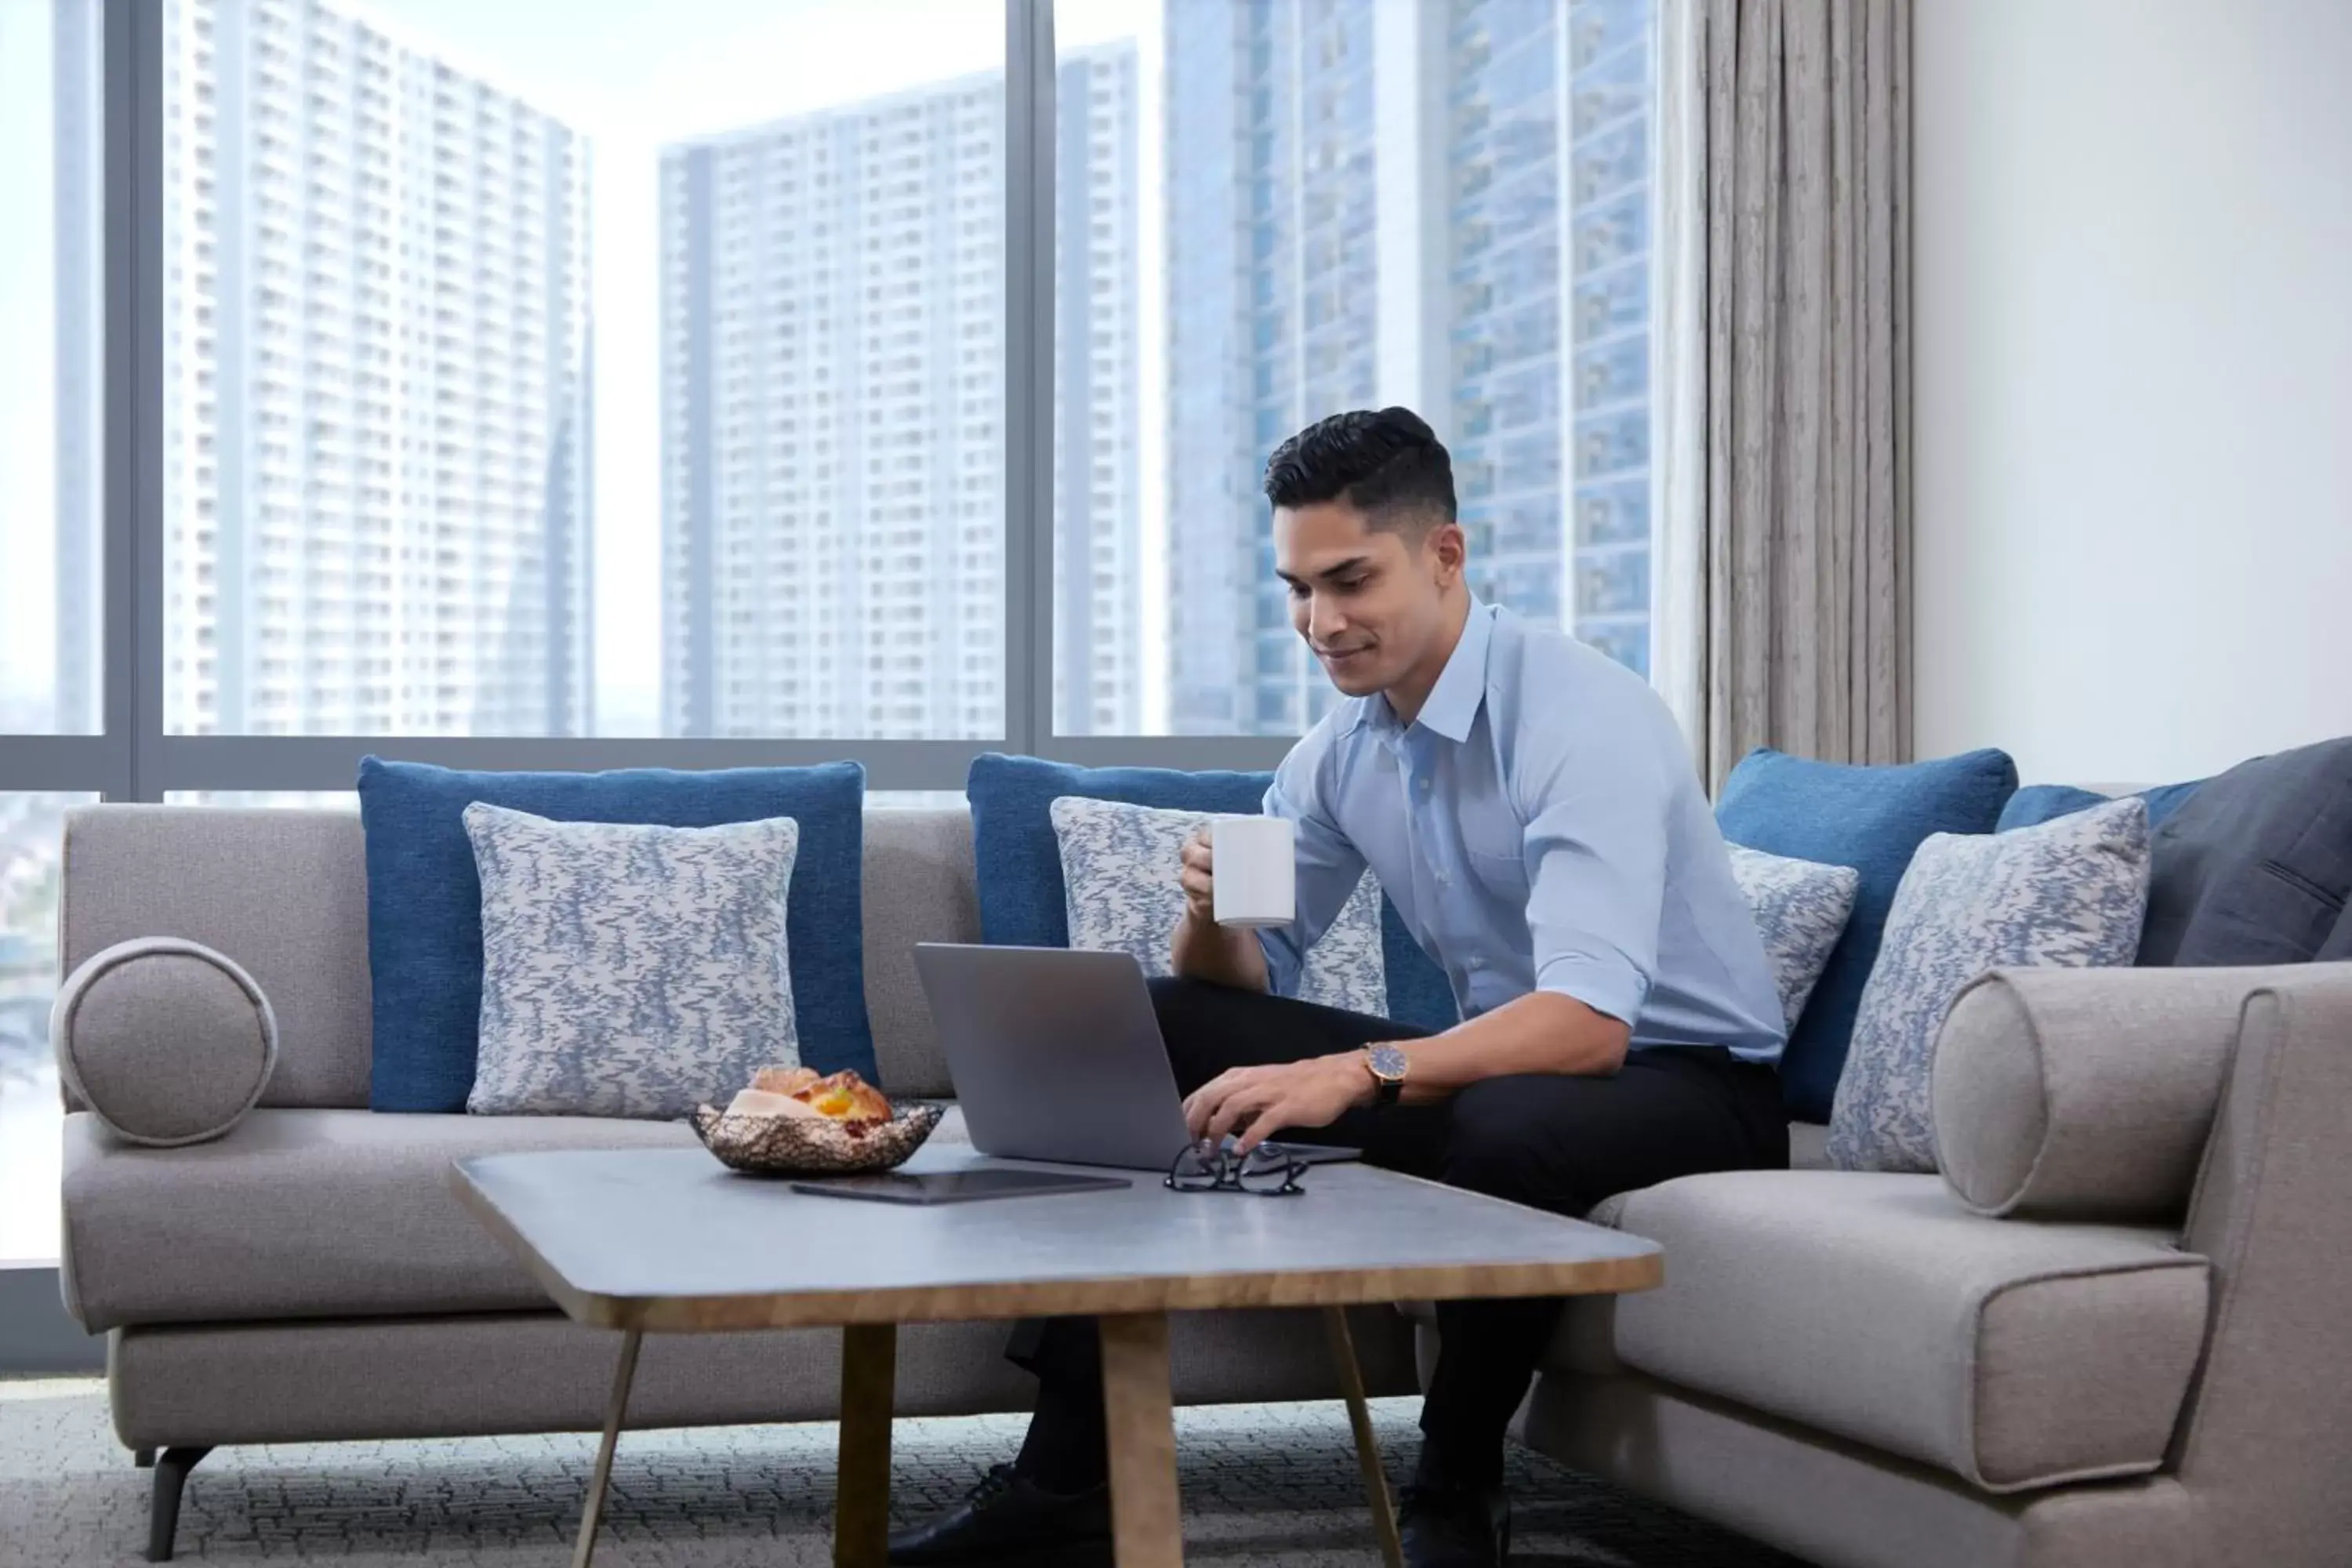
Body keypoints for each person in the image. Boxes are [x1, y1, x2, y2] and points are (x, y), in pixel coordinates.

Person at [890, 407, 1788, 1568]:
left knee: (1508, 1126)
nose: (1321, 622)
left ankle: (1455, 1493)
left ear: (1445, 556)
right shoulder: (1344, 749)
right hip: (1505, 1065)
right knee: (1162, 1025)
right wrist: (1210, 913)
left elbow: (1586, 1025)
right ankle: (1066, 1481)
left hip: (1690, 1085)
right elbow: (1249, 981)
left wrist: (1353, 1073)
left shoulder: (1584, 719)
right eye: (1298, 588)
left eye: (1351, 581)